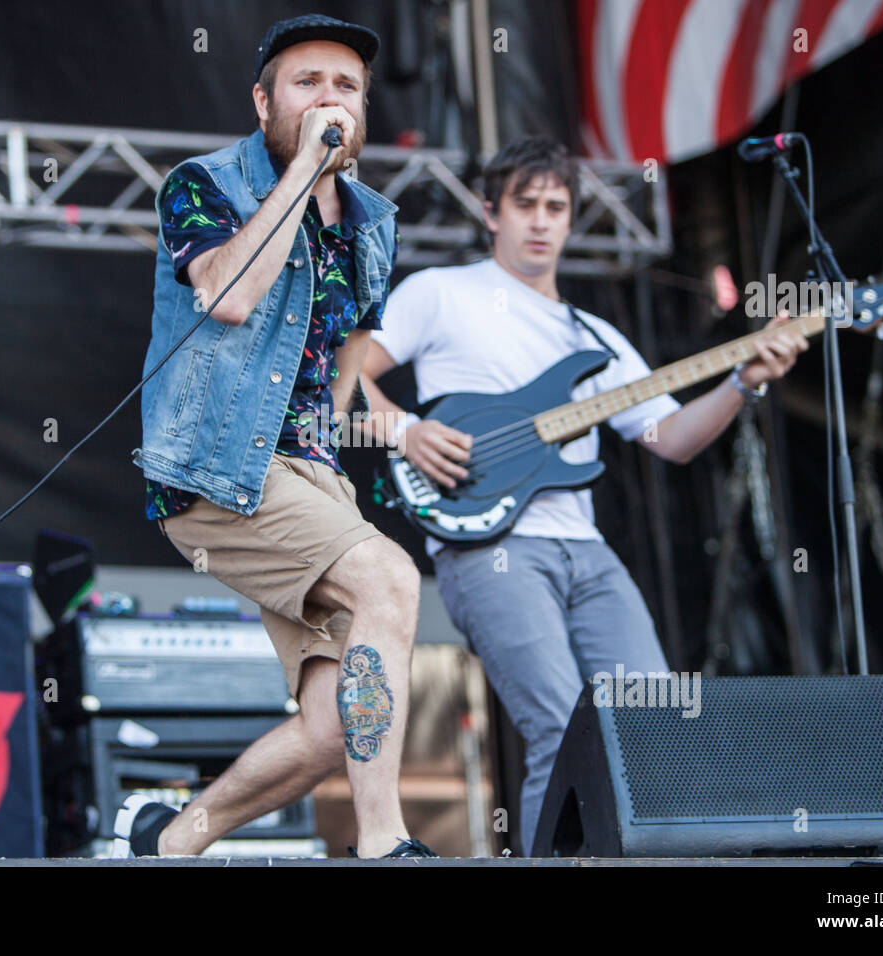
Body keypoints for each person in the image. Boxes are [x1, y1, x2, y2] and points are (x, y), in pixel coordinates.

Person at [361, 137, 807, 855]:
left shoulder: (595, 337)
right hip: (494, 549)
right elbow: (349, 374)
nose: (541, 221)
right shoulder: (440, 293)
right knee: (562, 729)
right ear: (489, 211)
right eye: (526, 205)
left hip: (588, 554)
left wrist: (743, 380)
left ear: (572, 219)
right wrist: (405, 431)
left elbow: (670, 438)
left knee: (655, 724)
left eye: (557, 207)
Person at [121, 14, 436, 859]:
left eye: (346, 86)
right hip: (215, 464)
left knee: (338, 725)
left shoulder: (374, 219)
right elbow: (226, 295)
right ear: (264, 101)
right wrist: (301, 170)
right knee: (391, 579)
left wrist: (339, 432)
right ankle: (382, 842)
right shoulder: (202, 184)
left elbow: (354, 345)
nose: (329, 98)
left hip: (310, 473)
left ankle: (169, 841)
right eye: (307, 83)